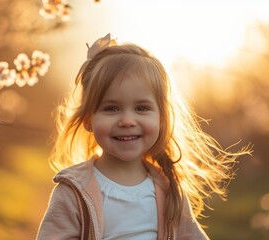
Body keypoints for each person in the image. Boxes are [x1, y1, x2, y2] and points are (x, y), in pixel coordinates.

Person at [37, 33, 251, 240]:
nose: (127, 120)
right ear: (88, 119)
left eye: (141, 108)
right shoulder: (74, 191)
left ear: (161, 119)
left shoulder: (168, 189)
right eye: (111, 108)